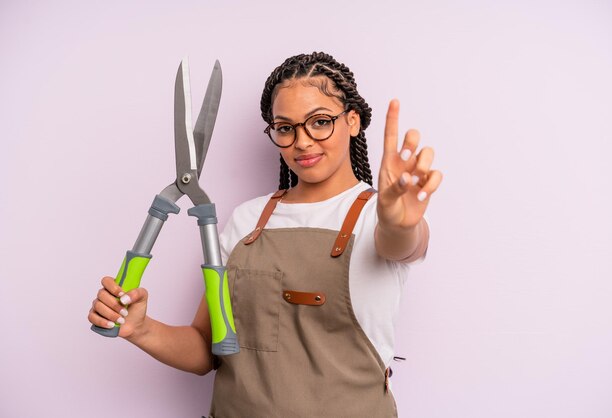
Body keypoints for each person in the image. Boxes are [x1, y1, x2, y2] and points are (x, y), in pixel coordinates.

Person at [88, 51, 442, 417]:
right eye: (285, 128)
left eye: (320, 122)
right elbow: (206, 347)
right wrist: (141, 328)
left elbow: (404, 245)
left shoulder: (377, 217)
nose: (302, 142)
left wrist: (398, 223)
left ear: (352, 121)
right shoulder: (248, 220)